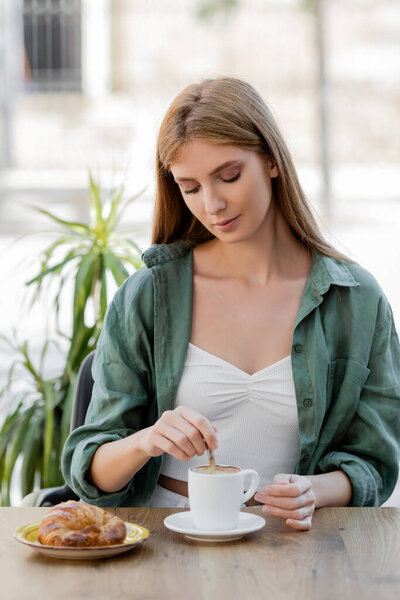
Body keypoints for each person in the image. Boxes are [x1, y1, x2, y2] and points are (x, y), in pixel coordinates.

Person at [62, 76, 400, 531]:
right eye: (190, 187)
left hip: (296, 546)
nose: (213, 203)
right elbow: (91, 471)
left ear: (271, 160)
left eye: (229, 176)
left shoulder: (355, 300)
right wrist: (148, 440)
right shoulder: (149, 295)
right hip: (165, 540)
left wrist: (312, 492)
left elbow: (376, 461)